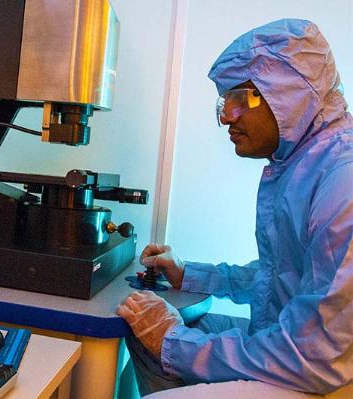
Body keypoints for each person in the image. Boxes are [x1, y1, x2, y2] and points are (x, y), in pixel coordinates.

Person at [117, 18, 353, 396]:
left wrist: (175, 343)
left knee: (163, 343)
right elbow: (284, 274)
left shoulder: (343, 180)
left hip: (313, 372)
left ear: (289, 93)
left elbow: (315, 356)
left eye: (240, 99)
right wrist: (189, 274)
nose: (226, 116)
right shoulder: (304, 163)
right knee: (150, 335)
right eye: (224, 101)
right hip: (292, 342)